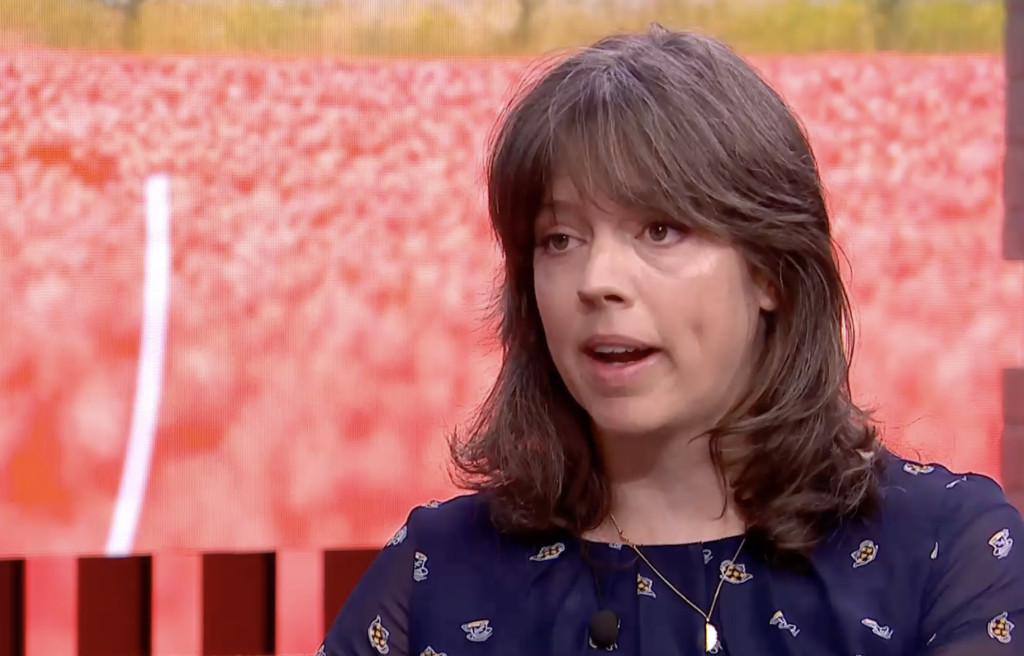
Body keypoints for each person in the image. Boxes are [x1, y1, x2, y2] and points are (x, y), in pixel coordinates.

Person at [316, 24, 1024, 656]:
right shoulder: (436, 575)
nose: (596, 282)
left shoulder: (949, 552)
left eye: (660, 230)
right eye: (559, 239)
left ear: (771, 270)